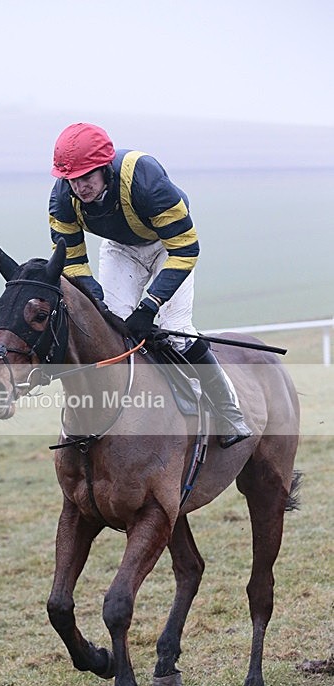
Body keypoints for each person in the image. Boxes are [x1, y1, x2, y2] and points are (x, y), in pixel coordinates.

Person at [48, 122, 252, 448]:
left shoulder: (145, 179)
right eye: (72, 180)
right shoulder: (62, 199)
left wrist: (150, 305)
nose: (79, 187)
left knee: (174, 328)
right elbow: (72, 262)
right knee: (110, 326)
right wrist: (96, 299)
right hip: (119, 248)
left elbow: (186, 249)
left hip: (167, 246)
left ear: (106, 169)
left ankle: (228, 411)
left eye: (87, 177)